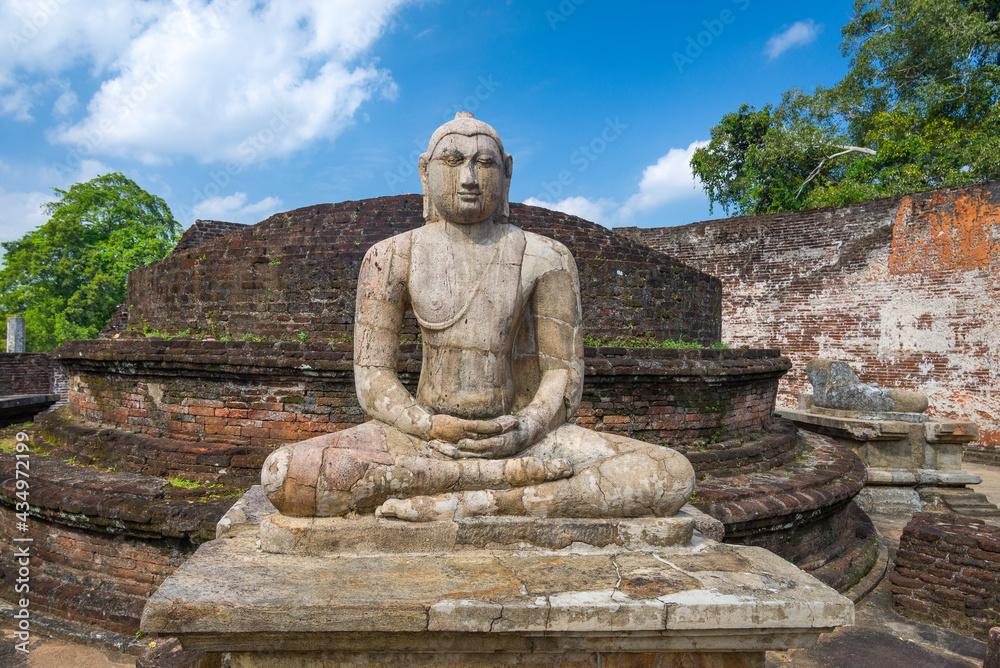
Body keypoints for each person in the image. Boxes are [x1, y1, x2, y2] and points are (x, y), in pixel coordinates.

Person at [261, 113, 694, 521]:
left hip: (518, 438)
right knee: (283, 472)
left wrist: (525, 428)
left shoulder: (547, 258)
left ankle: (479, 500)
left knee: (670, 473)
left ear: (506, 172)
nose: (468, 178)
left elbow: (563, 377)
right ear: (424, 171)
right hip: (422, 438)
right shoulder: (389, 256)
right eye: (452, 161)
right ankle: (499, 490)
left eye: (483, 164)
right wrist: (428, 425)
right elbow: (373, 377)